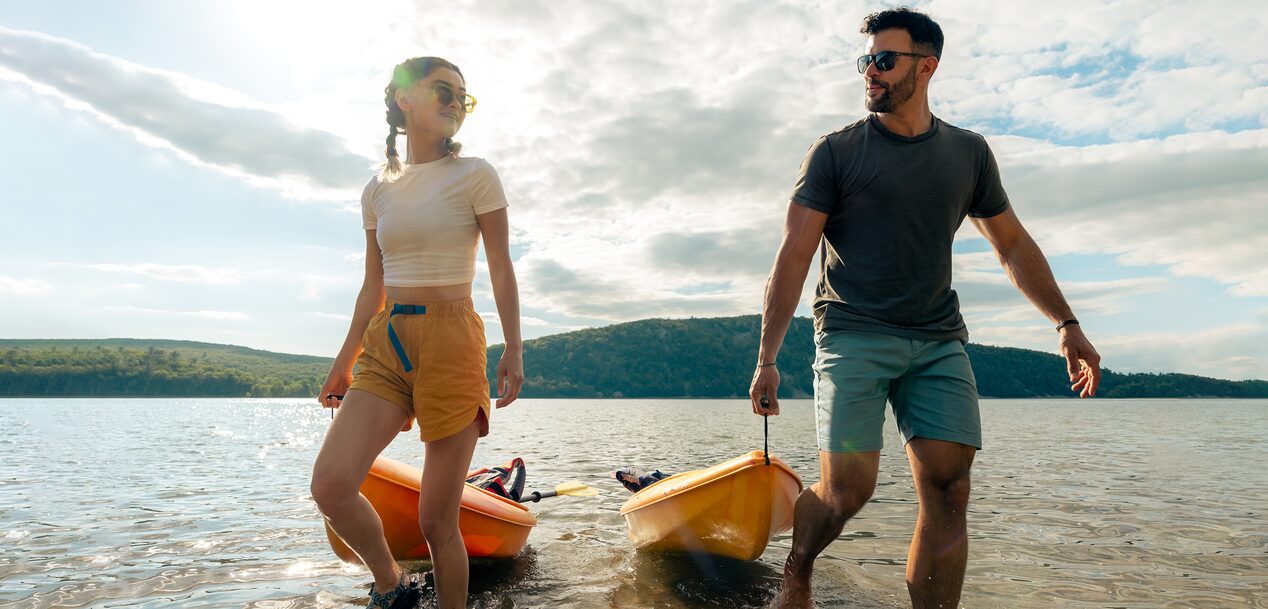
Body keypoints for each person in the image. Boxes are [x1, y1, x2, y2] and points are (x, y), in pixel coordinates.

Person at [747, 9, 1102, 608]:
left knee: (949, 488)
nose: (871, 73)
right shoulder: (835, 154)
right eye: (866, 62)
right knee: (846, 492)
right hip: (852, 333)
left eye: (885, 61)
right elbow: (794, 257)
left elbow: (1011, 244)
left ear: (927, 66)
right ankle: (798, 569)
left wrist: (1066, 325)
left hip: (938, 340)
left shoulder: (968, 154)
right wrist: (768, 358)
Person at [310, 56, 524, 609]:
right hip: (388, 344)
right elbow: (371, 287)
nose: (456, 103)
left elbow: (500, 266)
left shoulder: (476, 174)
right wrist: (343, 360)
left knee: (436, 520)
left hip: (453, 341)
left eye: (462, 96)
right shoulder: (377, 190)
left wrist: (514, 348)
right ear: (405, 99)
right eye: (444, 91)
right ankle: (391, 585)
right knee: (330, 485)